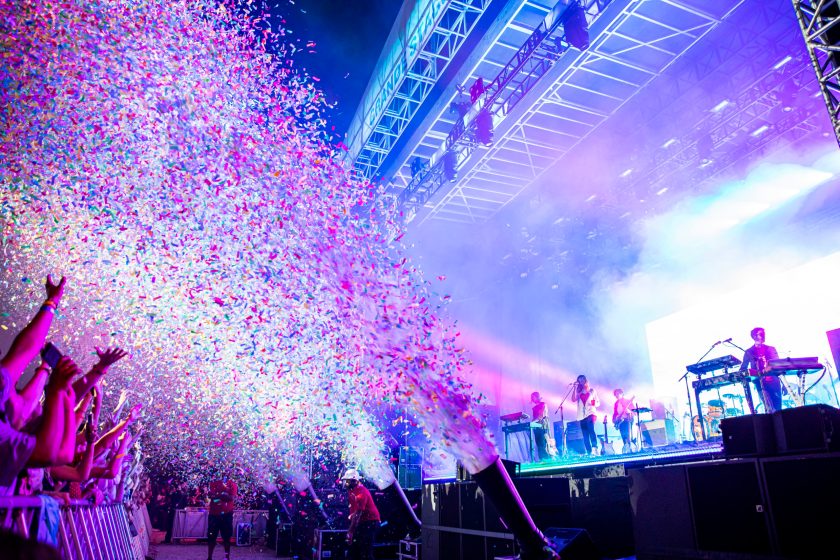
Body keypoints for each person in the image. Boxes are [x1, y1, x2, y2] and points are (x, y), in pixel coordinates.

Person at [739, 327, 782, 413]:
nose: (764, 336)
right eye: (761, 334)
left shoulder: (771, 349)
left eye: (764, 334)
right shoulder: (749, 352)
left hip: (774, 382)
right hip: (760, 383)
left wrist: (784, 384)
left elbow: (778, 365)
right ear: (754, 336)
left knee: (778, 408)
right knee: (769, 408)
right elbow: (743, 369)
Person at [342, 468, 380, 560]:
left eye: (348, 481)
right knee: (355, 550)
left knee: (365, 551)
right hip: (363, 523)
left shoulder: (361, 493)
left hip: (370, 522)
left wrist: (351, 530)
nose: (346, 483)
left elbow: (358, 513)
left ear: (355, 481)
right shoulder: (352, 491)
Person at [207, 475, 238, 560]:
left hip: (226, 515)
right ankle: (209, 557)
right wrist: (222, 496)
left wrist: (216, 495)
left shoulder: (233, 484)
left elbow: (230, 498)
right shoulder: (213, 483)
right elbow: (210, 496)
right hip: (214, 514)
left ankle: (227, 557)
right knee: (211, 537)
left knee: (227, 538)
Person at [571, 375, 599, 455]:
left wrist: (594, 404)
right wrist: (574, 388)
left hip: (591, 413)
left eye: (582, 379)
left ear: (585, 380)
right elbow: (573, 399)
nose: (581, 381)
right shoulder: (579, 392)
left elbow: (598, 402)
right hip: (581, 415)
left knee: (591, 430)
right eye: (579, 380)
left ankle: (595, 448)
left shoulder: (592, 390)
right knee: (585, 434)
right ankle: (589, 451)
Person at [612, 389, 634, 453]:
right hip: (620, 422)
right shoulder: (616, 403)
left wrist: (629, 411)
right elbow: (615, 413)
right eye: (615, 394)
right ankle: (626, 448)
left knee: (627, 434)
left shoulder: (628, 401)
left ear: (622, 394)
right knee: (623, 435)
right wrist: (615, 419)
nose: (617, 395)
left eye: (618, 393)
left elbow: (634, 412)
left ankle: (631, 448)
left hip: (627, 420)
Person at [529, 392, 550, 461]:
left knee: (543, 443)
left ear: (537, 396)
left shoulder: (543, 404)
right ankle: (542, 460)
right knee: (539, 444)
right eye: (532, 397)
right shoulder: (534, 407)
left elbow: (541, 416)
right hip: (536, 426)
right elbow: (535, 417)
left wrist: (532, 422)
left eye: (533, 397)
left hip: (542, 425)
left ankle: (547, 460)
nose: (532, 399)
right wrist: (532, 422)